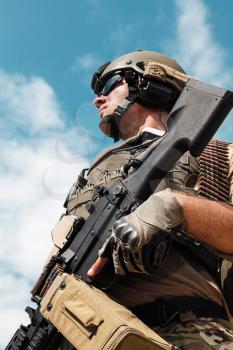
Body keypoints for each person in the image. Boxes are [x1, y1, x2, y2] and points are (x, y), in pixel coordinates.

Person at [65, 51, 233, 349]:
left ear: (150, 84)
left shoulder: (217, 158)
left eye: (109, 87)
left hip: (188, 333)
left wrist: (174, 206)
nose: (97, 100)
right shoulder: (86, 180)